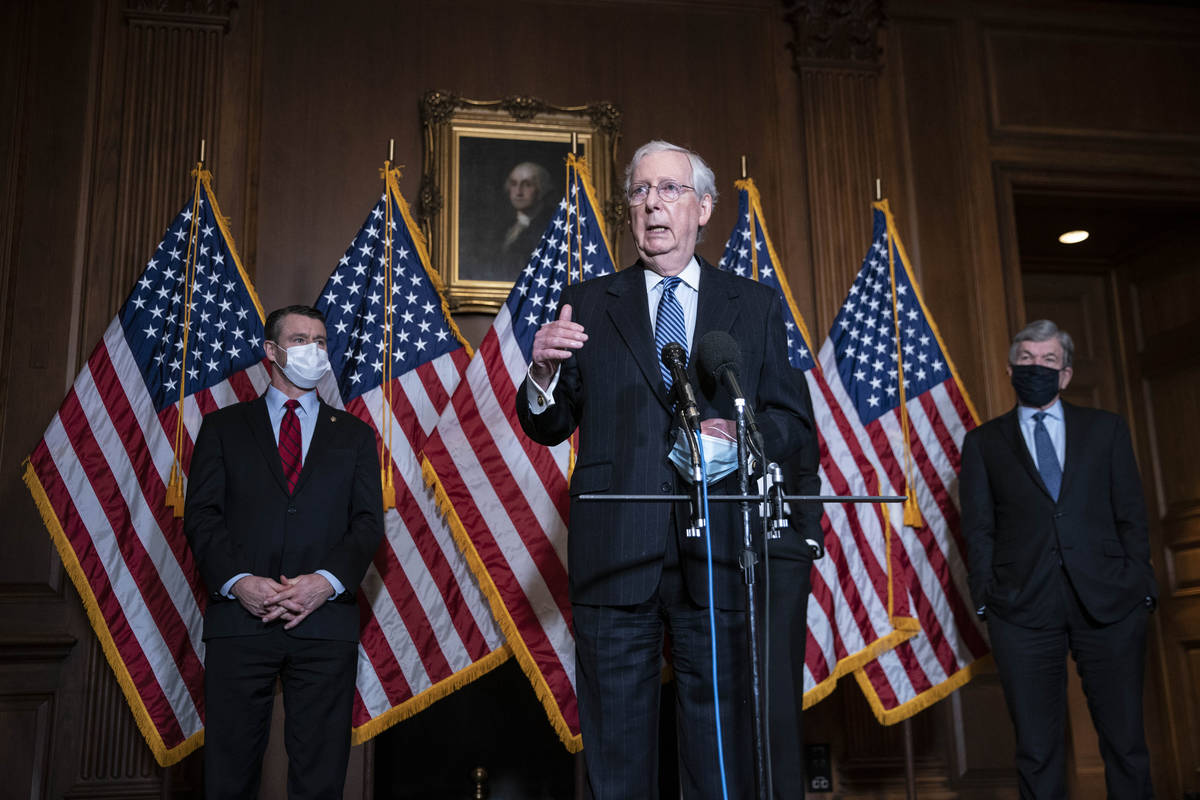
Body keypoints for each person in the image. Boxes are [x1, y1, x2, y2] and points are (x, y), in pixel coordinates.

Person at [517, 140, 815, 798]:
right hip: (615, 559)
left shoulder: (755, 305)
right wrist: (540, 373)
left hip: (718, 561)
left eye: (670, 189)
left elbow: (793, 424)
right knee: (617, 763)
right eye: (640, 190)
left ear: (704, 208)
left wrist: (741, 435)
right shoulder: (589, 302)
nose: (652, 202)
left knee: (718, 763)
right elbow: (549, 423)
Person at [184, 305, 384, 799]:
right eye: (300, 340)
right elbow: (203, 515)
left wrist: (325, 583)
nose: (313, 351)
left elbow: (366, 524)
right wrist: (239, 583)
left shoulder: (356, 435)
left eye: (320, 341)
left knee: (320, 774)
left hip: (324, 624)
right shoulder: (223, 428)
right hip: (240, 620)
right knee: (229, 773)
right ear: (271, 351)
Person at [960, 319, 1156, 799]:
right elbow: (978, 529)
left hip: (1111, 602)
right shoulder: (983, 443)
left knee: (1125, 741)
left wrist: (1140, 586)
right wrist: (986, 596)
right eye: (1027, 359)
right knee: (1035, 746)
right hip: (1021, 607)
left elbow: (1132, 514)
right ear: (1010, 370)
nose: (1037, 367)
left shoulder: (1106, 429)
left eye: (1049, 360)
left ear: (1065, 374)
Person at [471, 161, 557, 283]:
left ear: (541, 189)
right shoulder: (501, 227)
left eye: (527, 184)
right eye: (513, 184)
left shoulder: (551, 227)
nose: (518, 192)